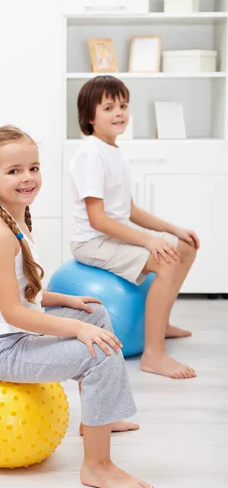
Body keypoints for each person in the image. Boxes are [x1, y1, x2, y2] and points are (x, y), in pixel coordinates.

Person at [0, 125, 154, 488]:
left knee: (97, 318)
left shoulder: (17, 218)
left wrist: (68, 303)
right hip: (3, 350)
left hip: (20, 336)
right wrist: (75, 331)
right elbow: (12, 313)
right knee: (101, 353)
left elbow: (25, 296)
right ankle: (97, 466)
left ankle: (97, 418)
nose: (27, 178)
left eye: (33, 168)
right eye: (14, 171)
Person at [70, 76, 200, 380]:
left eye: (123, 106)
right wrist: (150, 241)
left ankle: (161, 323)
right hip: (92, 242)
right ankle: (153, 356)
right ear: (90, 117)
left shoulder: (113, 151)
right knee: (166, 261)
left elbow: (129, 211)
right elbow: (97, 220)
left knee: (185, 248)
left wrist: (174, 230)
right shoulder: (90, 154)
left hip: (111, 235)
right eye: (109, 107)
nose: (119, 112)